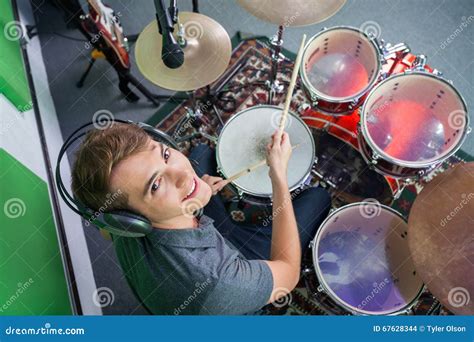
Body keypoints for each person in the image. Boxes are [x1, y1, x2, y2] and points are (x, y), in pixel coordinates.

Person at [71, 122, 331, 314]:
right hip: (226, 269)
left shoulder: (118, 223)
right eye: (155, 185)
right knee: (318, 198)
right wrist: (278, 176)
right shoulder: (218, 283)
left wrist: (197, 196)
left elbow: (106, 231)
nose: (183, 174)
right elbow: (288, 273)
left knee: (199, 155)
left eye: (164, 154)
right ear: (131, 220)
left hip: (186, 240)